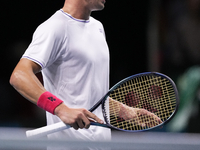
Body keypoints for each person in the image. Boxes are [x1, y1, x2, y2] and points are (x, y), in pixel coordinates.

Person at [10, 0, 161, 145]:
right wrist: (61, 109)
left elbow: (89, 95)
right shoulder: (55, 27)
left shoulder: (98, 27)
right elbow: (19, 75)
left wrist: (126, 112)